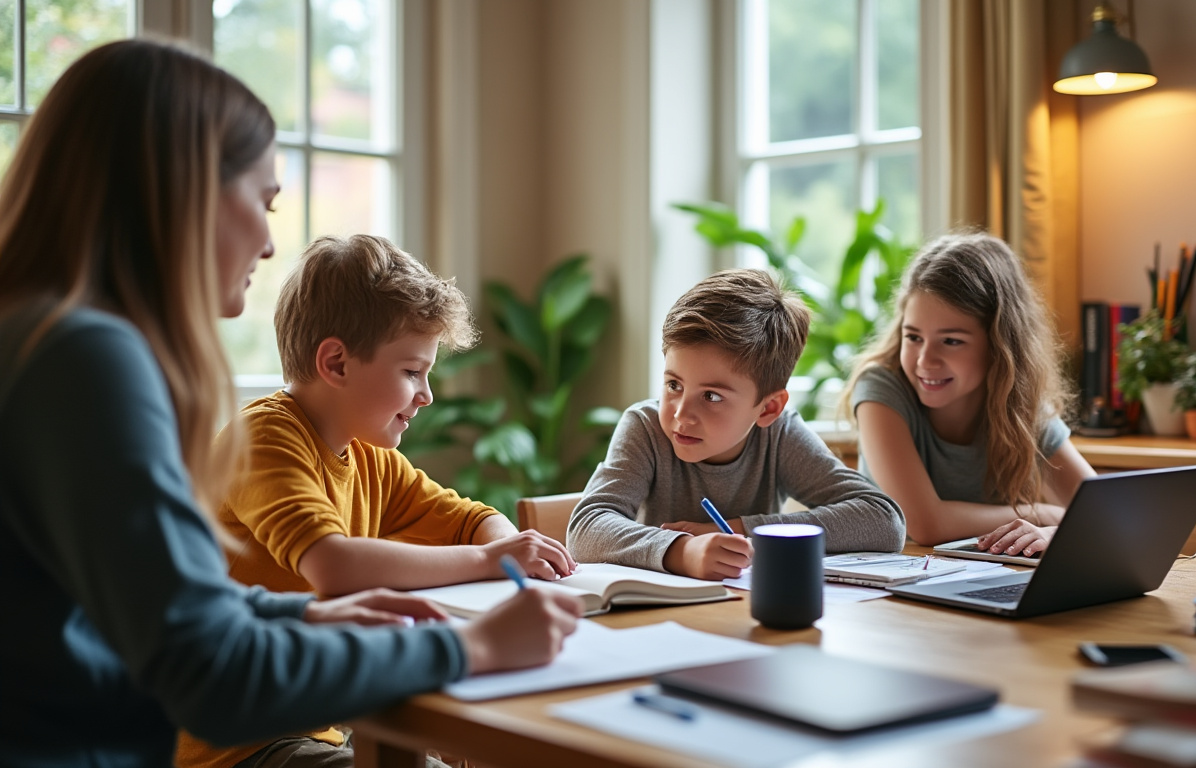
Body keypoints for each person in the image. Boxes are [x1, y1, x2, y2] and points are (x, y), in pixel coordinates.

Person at [0, 39, 583, 768]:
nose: (270, 244)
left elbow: (170, 603)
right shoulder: (84, 358)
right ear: (180, 192)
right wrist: (473, 644)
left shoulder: (41, 337)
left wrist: (303, 612)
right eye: (262, 200)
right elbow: (209, 672)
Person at [176, 233, 579, 768]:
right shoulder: (264, 439)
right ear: (337, 363)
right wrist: (490, 559)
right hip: (236, 742)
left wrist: (511, 548)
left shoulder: (369, 456)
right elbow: (335, 565)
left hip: (323, 718)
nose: (427, 394)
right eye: (412, 371)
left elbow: (473, 520)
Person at [567, 269, 905, 580]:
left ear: (768, 407)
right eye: (674, 385)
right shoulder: (645, 428)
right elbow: (585, 529)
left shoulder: (779, 434)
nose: (682, 414)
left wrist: (741, 530)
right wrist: (682, 550)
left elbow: (884, 521)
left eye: (711, 396)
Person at [838, 232, 1095, 558]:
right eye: (914, 336)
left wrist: (1055, 531)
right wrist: (1043, 514)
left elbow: (1105, 515)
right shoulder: (880, 390)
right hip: (890, 588)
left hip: (982, 581)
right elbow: (923, 523)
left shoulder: (1021, 407)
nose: (924, 361)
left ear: (999, 346)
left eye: (951, 341)